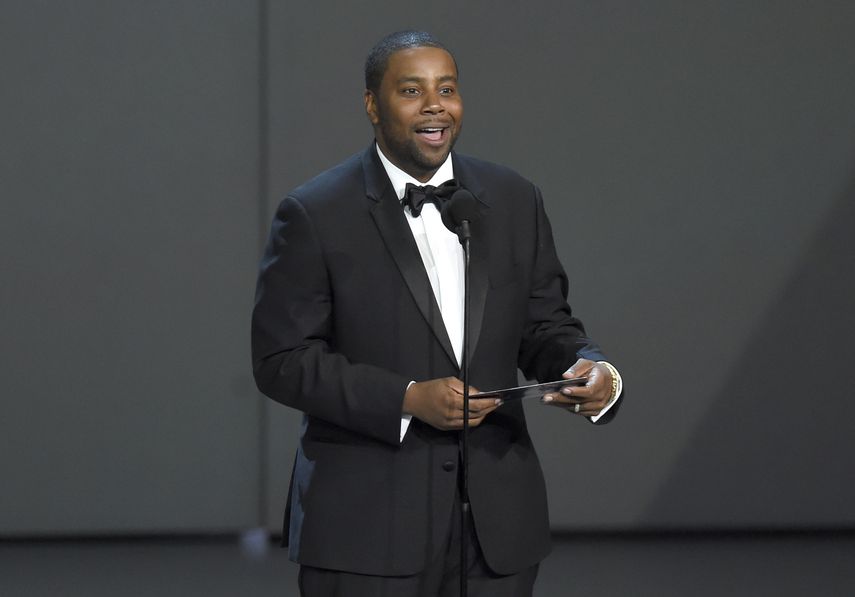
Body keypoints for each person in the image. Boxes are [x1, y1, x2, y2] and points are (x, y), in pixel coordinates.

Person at [251, 30, 623, 597]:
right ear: (372, 103)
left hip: (498, 533)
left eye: (446, 88)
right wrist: (406, 397)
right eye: (411, 89)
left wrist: (594, 370)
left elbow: (546, 325)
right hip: (366, 530)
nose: (435, 105)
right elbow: (282, 360)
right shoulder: (315, 212)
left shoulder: (514, 198)